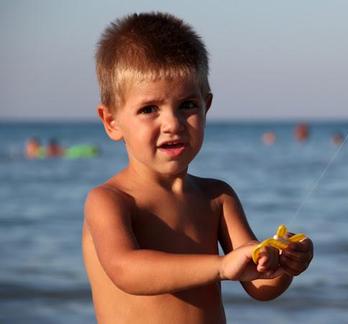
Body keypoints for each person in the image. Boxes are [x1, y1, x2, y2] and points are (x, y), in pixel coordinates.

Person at [82, 12, 313, 324]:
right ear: (112, 122)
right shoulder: (110, 200)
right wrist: (220, 266)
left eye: (187, 105)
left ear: (207, 106)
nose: (172, 124)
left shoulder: (217, 197)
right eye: (149, 109)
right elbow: (126, 270)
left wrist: (283, 263)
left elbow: (259, 285)